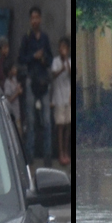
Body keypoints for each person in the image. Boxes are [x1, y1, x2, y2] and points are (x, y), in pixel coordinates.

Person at [16, 6, 53, 162]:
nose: (35, 20)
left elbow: (51, 59)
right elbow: (20, 59)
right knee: (30, 120)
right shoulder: (26, 37)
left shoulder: (44, 37)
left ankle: (48, 155)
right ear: (30, 20)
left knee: (46, 120)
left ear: (41, 19)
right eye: (32, 18)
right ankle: (29, 156)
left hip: (44, 81)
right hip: (31, 80)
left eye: (37, 17)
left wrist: (44, 59)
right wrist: (33, 56)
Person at [50, 37, 73, 168]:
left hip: (67, 97)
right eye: (60, 47)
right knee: (60, 126)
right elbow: (53, 75)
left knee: (68, 125)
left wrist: (67, 64)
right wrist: (61, 69)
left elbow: (70, 75)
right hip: (58, 98)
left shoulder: (69, 61)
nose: (61, 49)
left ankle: (66, 151)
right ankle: (60, 153)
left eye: (64, 47)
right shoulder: (55, 61)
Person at [0, 35, 24, 142]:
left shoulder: (8, 61)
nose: (6, 50)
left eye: (7, 47)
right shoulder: (0, 64)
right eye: (4, 47)